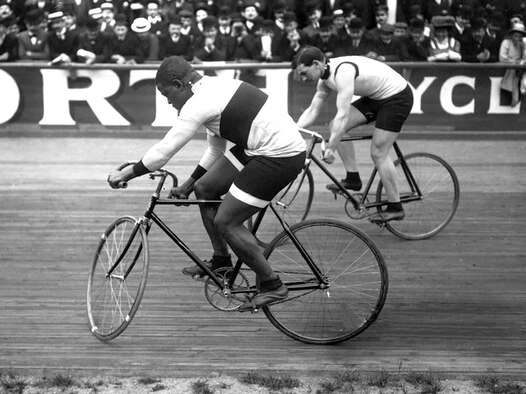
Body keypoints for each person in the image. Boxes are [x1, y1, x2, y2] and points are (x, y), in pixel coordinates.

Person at [107, 56, 306, 311]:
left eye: (167, 95)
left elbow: (166, 149)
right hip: (259, 148)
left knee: (226, 221)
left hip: (280, 156)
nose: (169, 103)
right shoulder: (213, 87)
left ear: (179, 84)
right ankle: (221, 262)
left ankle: (272, 285)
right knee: (205, 189)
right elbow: (215, 150)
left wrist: (128, 174)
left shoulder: (199, 103)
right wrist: (190, 183)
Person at [292, 46, 414, 223]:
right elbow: (312, 110)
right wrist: (294, 130)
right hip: (376, 97)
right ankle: (353, 178)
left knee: (378, 152)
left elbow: (343, 114)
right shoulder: (324, 81)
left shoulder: (343, 73)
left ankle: (396, 207)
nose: (303, 79)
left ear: (317, 64)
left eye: (304, 73)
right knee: (335, 126)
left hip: (397, 97)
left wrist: (331, 148)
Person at [499, 22, 526, 106]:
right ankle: (512, 95)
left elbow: (523, 58)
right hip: (509, 68)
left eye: (519, 36)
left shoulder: (522, 45)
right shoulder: (506, 42)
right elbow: (502, 58)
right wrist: (515, 62)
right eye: (515, 36)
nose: (517, 38)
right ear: (511, 35)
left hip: (519, 70)